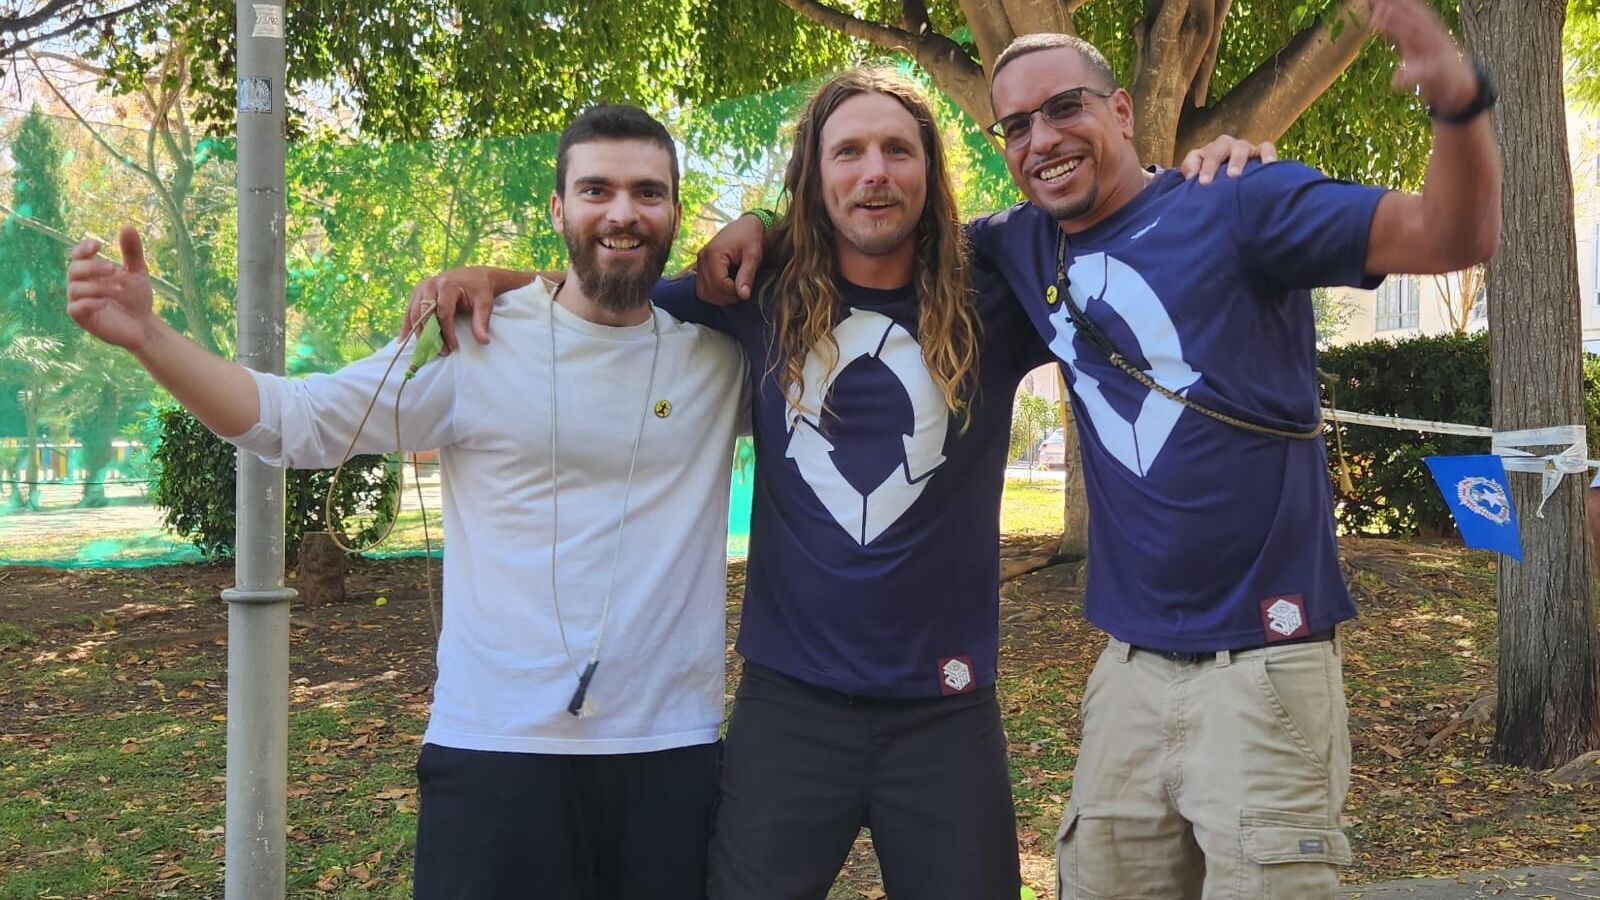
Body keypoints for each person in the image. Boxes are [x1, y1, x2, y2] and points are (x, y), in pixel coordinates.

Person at [404, 69, 1267, 899]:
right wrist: (504, 282)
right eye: (847, 152)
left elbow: (1126, 245)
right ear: (813, 180)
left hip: (947, 709)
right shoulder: (753, 292)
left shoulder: (996, 290)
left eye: (898, 149)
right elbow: (611, 293)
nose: (874, 172)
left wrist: (1205, 185)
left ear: (930, 170)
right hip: (789, 709)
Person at [65, 104, 748, 900]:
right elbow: (294, 422)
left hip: (672, 754)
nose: (622, 213)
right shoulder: (474, 343)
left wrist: (760, 219)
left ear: (675, 213)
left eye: (647, 192)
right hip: (496, 752)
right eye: (596, 190)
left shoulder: (720, 362)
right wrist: (148, 337)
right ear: (559, 211)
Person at [956, 0, 1495, 895]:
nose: (1041, 139)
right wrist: (751, 231)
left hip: (1265, 670)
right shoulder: (1018, 244)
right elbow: (870, 229)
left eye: (1064, 108)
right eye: (1015, 125)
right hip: (1125, 674)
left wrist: (1458, 101)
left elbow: (1455, 235)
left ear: (1121, 111)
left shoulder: (1240, 198)